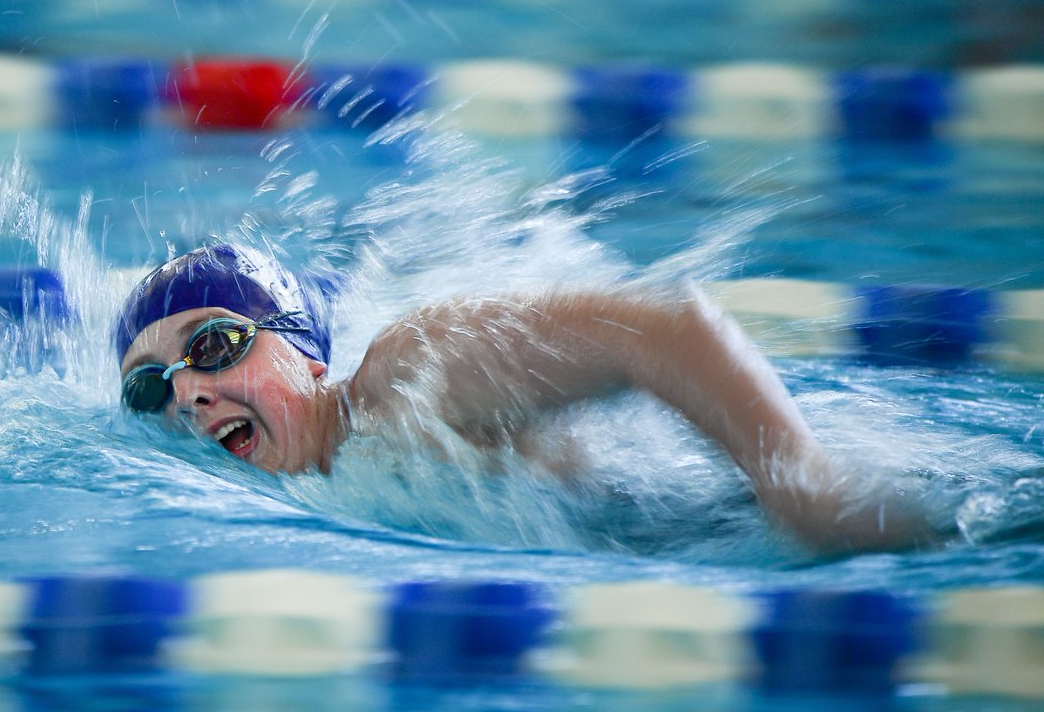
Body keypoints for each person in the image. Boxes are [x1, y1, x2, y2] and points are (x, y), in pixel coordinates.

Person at [115, 240, 939, 555]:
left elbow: (662, 329)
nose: (185, 393)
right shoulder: (319, 494)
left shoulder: (406, 380)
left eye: (213, 346)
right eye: (151, 389)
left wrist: (804, 486)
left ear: (306, 352)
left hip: (733, 529)